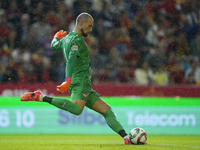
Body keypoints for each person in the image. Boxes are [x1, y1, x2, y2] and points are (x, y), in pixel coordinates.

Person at [20, 12, 132, 145]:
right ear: (81, 23)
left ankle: (126, 138)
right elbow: (72, 59)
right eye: (89, 26)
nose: (91, 30)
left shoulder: (66, 39)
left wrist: (56, 37)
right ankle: (41, 97)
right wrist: (67, 80)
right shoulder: (77, 41)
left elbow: (54, 45)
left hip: (85, 85)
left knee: (107, 111)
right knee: (77, 109)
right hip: (79, 81)